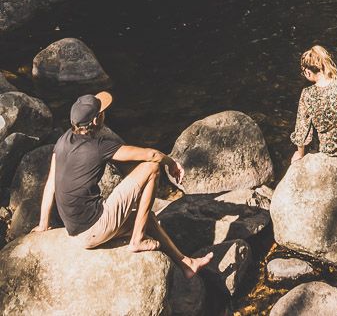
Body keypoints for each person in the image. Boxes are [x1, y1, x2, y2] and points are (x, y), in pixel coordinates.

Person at [35, 91, 212, 276]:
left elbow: (50, 184)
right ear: (96, 121)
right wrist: (171, 163)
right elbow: (150, 156)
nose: (105, 114)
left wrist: (43, 224)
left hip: (75, 232)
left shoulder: (62, 141)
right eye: (102, 112)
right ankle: (137, 240)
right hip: (95, 227)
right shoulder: (98, 147)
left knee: (146, 218)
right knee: (151, 169)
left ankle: (187, 264)